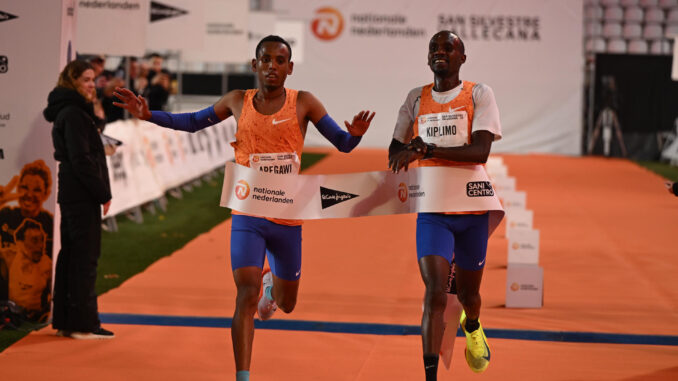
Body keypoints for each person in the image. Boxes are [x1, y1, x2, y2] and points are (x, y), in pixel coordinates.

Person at [113, 35, 375, 381]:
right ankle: (243, 375)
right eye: (265, 60)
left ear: (290, 68)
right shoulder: (238, 100)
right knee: (244, 294)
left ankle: (273, 288)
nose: (272, 66)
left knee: (288, 303)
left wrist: (354, 135)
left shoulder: (305, 103)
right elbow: (194, 122)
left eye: (280, 61)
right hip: (247, 212)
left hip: (286, 216)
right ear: (254, 65)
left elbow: (341, 144)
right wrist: (149, 115)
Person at [388, 31, 501, 379]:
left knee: (469, 295)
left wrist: (429, 150)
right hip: (433, 210)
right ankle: (430, 375)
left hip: (472, 210)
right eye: (434, 48)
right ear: (428, 59)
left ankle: (473, 325)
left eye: (448, 48)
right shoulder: (416, 99)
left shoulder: (479, 94)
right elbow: (395, 152)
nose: (440, 52)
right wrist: (405, 153)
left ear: (461, 58)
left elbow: (480, 151)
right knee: (435, 292)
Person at [43, 59, 114, 340]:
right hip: (80, 193)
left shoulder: (73, 111)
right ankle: (83, 323)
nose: (91, 85)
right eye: (85, 79)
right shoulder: (72, 114)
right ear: (71, 81)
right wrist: (102, 193)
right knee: (84, 257)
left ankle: (68, 320)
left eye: (93, 80)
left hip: (75, 192)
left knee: (72, 256)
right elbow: (81, 159)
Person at [0, 160, 54, 302]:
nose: (29, 195)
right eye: (24, 188)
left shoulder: (51, 223)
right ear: (17, 190)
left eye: (36, 190)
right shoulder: (5, 215)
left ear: (46, 193)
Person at [0, 219, 52, 322]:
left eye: (42, 240)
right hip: (11, 314)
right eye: (34, 240)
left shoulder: (48, 264)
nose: (41, 245)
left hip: (38, 317)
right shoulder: (9, 258)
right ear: (20, 243)